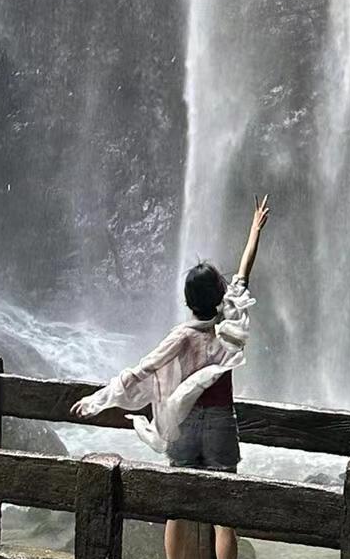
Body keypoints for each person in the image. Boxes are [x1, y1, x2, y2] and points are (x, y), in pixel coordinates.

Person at [71, 195, 271, 559]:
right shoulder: (228, 325)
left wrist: (97, 400)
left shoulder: (182, 336)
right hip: (222, 422)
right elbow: (244, 272)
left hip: (184, 423)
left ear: (187, 300)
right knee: (224, 514)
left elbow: (142, 370)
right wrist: (254, 231)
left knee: (176, 507)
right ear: (220, 294)